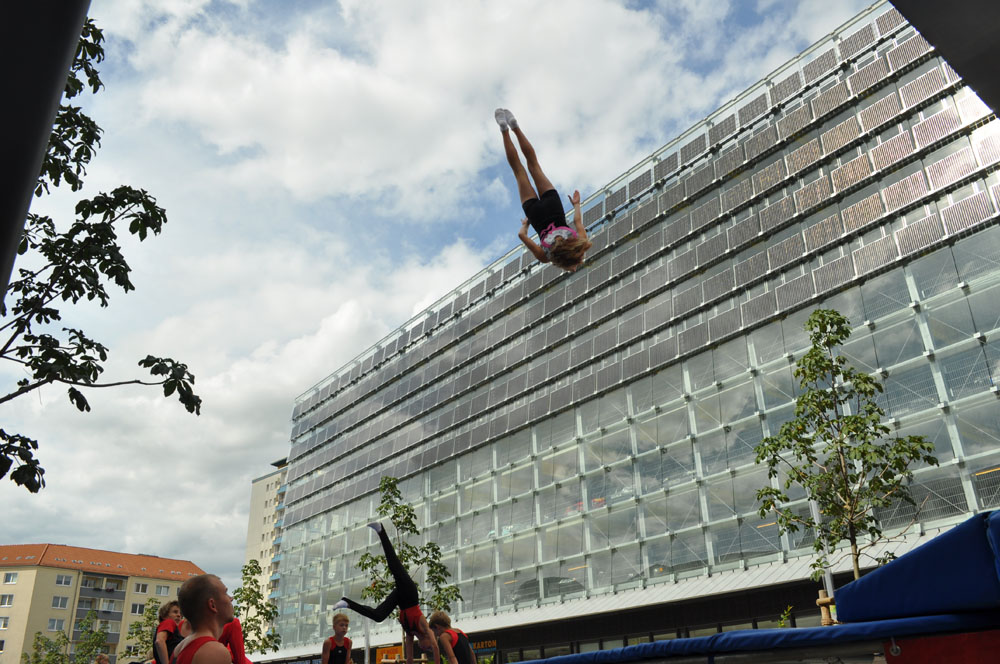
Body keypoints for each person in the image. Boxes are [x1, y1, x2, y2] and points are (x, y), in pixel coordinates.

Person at [495, 108, 591, 272]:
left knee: (533, 165)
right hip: (535, 214)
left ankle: (515, 127)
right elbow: (521, 235)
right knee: (519, 171)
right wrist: (526, 224)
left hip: (553, 206)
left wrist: (576, 204)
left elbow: (577, 222)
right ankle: (504, 130)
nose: (575, 269)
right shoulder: (545, 256)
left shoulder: (579, 241)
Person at [334, 522, 440, 664]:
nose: (424, 649)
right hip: (410, 593)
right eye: (428, 648)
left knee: (378, 616)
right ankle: (381, 530)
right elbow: (436, 647)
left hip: (401, 601)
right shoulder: (425, 628)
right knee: (394, 566)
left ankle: (347, 603)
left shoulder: (410, 633)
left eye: (427, 650)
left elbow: (409, 657)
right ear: (430, 640)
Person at [170, 574, 236, 664]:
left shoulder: (179, 649)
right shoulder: (214, 652)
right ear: (212, 605)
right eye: (225, 593)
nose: (231, 598)